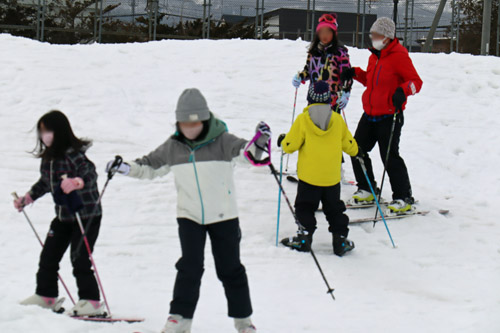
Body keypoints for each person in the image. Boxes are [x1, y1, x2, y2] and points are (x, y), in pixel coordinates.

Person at [106, 88, 269, 333]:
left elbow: (247, 153)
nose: (189, 129)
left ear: (205, 120)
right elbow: (149, 165)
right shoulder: (173, 146)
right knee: (189, 267)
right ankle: (179, 319)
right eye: (184, 124)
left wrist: (259, 143)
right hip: (189, 215)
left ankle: (244, 323)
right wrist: (125, 168)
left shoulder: (223, 140)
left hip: (224, 215)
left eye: (194, 123)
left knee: (230, 269)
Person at [14, 110, 104, 316]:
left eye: (48, 130)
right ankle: (46, 295)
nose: (44, 135)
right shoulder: (48, 158)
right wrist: (27, 199)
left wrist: (76, 182)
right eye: (42, 131)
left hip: (86, 215)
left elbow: (90, 172)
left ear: (60, 131)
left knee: (79, 256)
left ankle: (91, 301)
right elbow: (46, 182)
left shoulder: (74, 154)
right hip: (64, 216)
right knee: (49, 255)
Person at [341, 17, 423, 213]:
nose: (372, 38)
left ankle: (404, 197)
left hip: (390, 114)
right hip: (370, 113)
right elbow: (372, 81)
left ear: (387, 37)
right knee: (356, 149)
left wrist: (403, 91)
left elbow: (415, 82)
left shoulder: (399, 56)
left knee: (389, 156)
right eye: (372, 34)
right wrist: (354, 72)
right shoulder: (375, 56)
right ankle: (367, 189)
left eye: (376, 35)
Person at [278, 81, 360, 256]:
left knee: (305, 207)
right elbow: (350, 146)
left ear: (309, 98)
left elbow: (289, 146)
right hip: (331, 179)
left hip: (309, 179)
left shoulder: (303, 120)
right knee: (334, 209)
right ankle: (340, 239)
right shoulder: (337, 120)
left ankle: (304, 237)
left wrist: (283, 141)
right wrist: (357, 150)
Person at [292, 13, 353, 113]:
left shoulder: (340, 53)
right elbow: (308, 70)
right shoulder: (313, 52)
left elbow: (346, 75)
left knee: (330, 127)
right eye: (322, 32)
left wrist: (346, 92)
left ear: (334, 34)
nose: (324, 35)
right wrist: (300, 76)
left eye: (328, 32)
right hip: (313, 100)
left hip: (332, 102)